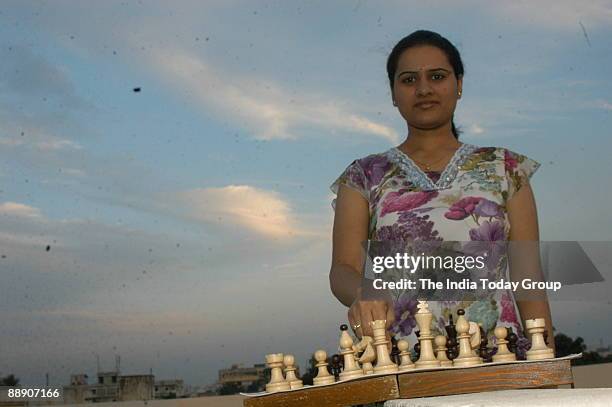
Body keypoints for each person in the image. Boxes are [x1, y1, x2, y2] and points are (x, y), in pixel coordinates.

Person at [329, 30, 554, 357]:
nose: (423, 89)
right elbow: (342, 269)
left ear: (459, 84)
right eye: (408, 80)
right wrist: (363, 291)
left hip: (499, 357)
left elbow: (528, 276)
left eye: (437, 76)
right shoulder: (364, 175)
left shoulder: (506, 168)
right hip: (405, 359)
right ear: (393, 93)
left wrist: (548, 368)